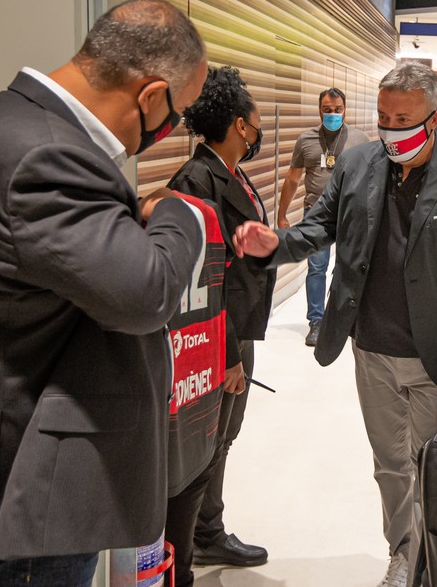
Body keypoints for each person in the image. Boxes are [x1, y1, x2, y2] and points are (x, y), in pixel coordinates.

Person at [0, 0, 208, 586]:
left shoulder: (10, 124)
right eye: (180, 112)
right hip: (22, 497)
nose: (175, 130)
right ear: (150, 95)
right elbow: (146, 294)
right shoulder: (50, 155)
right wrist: (178, 213)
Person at [232, 63, 437, 587]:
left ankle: (428, 563)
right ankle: (403, 553)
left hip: (434, 355)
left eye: (404, 118)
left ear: (435, 116)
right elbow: (319, 226)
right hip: (371, 347)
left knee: (428, 464)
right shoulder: (356, 165)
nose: (391, 127)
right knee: (389, 463)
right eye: (382, 116)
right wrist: (276, 243)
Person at [166, 66, 275, 574]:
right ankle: (187, 547)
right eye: (254, 117)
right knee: (206, 445)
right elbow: (208, 280)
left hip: (238, 330)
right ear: (238, 123)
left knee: (223, 440)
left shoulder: (230, 171)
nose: (258, 126)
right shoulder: (195, 179)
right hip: (217, 341)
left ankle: (208, 532)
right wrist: (227, 355)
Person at [278, 88, 370, 347]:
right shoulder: (305, 140)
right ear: (319, 110)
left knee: (348, 266)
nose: (332, 114)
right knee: (316, 268)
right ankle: (316, 321)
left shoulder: (360, 139)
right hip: (316, 213)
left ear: (345, 109)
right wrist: (282, 214)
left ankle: (344, 318)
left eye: (337, 109)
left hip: (350, 214)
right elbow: (293, 178)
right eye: (327, 110)